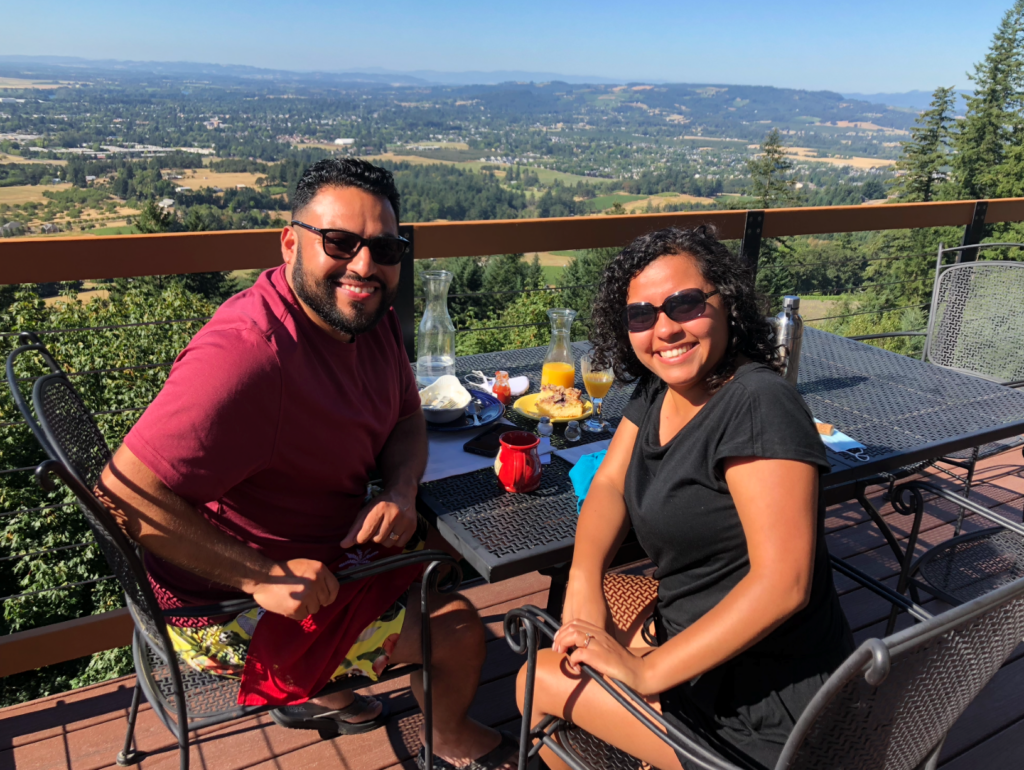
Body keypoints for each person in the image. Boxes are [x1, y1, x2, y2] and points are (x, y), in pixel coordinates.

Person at [97, 158, 517, 770]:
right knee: (457, 626)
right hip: (227, 608)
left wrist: (400, 489)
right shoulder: (249, 357)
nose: (365, 266)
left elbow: (405, 417)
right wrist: (261, 577)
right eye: (340, 243)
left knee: (438, 550)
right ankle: (448, 734)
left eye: (385, 247)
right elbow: (119, 495)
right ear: (290, 242)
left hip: (323, 551)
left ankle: (332, 684)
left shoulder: (361, 318)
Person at [517, 226, 854, 770]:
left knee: (539, 678)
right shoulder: (661, 386)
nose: (665, 329)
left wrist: (645, 672)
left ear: (729, 305)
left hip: (764, 718)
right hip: (692, 636)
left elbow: (783, 585)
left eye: (685, 303)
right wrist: (583, 581)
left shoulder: (759, 404)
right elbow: (607, 483)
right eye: (642, 316)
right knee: (578, 629)